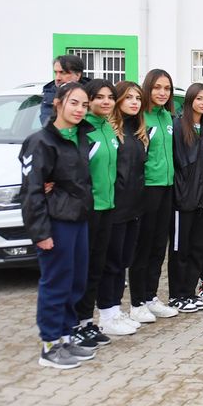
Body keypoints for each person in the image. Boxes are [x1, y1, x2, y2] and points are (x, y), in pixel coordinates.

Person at [21, 82, 97, 368]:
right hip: (56, 223)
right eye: (74, 103)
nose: (79, 110)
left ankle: (66, 337)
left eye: (84, 105)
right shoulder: (40, 142)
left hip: (78, 220)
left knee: (75, 283)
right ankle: (50, 346)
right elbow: (31, 191)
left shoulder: (81, 136)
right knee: (55, 284)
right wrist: (41, 232)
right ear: (58, 103)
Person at [71, 80, 128, 348]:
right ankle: (73, 325)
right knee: (81, 271)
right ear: (89, 101)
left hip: (108, 208)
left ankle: (86, 323)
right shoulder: (83, 131)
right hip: (88, 210)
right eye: (100, 97)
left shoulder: (108, 128)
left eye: (110, 97)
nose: (106, 102)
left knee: (96, 268)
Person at [128, 69, 180, 321]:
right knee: (143, 247)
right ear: (147, 88)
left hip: (167, 187)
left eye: (167, 88)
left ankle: (151, 297)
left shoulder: (168, 117)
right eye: (157, 87)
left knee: (159, 245)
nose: (162, 92)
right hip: (147, 188)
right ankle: (137, 302)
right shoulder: (140, 117)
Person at [168, 83, 203, 313]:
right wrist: (181, 192)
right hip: (184, 199)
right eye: (199, 98)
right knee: (181, 249)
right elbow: (179, 163)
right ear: (190, 101)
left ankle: (189, 292)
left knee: (198, 247)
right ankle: (176, 295)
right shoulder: (178, 126)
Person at [107, 81, 152, 324]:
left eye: (137, 98)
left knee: (125, 261)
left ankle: (118, 311)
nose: (134, 102)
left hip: (136, 207)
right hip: (115, 208)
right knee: (113, 264)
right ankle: (110, 313)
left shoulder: (138, 133)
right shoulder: (111, 132)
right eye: (128, 98)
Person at [40, 54, 88, 125]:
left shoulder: (94, 94)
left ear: (78, 75)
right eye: (56, 73)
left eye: (63, 73)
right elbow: (49, 125)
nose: (57, 78)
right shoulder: (49, 96)